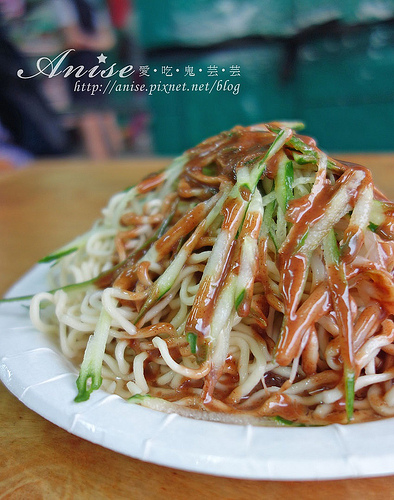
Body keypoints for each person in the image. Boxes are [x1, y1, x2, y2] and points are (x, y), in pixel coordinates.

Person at [54, 0, 123, 159]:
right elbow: (107, 40)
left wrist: (82, 41)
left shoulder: (64, 4)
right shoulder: (95, 5)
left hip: (81, 65)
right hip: (97, 63)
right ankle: (117, 163)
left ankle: (101, 165)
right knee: (105, 114)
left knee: (89, 116)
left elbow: (72, 40)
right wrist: (95, 41)